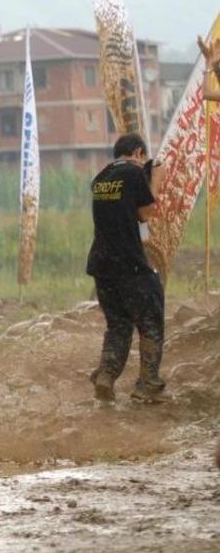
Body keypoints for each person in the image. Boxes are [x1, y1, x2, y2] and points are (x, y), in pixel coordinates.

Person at [86, 133, 166, 404]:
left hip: (101, 264)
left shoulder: (101, 178)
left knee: (118, 325)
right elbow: (145, 213)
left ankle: (106, 376)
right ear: (139, 152)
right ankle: (147, 385)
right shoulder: (134, 174)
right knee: (150, 322)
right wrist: (154, 180)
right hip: (130, 263)